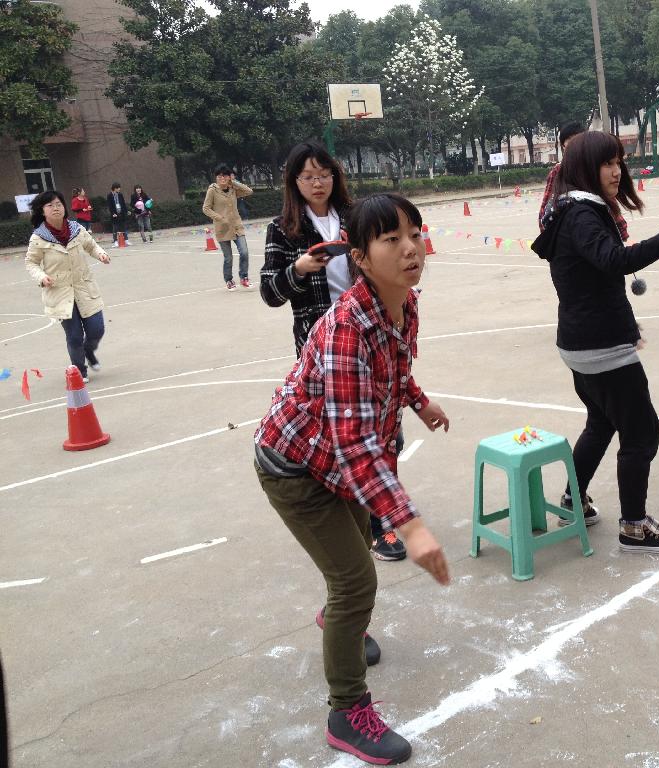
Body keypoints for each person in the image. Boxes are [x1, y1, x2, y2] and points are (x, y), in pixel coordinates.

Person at [254, 193, 450, 764]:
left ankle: (338, 622)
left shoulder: (403, 303)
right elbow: (354, 446)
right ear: (360, 258)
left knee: (355, 555)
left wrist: (418, 400)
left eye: (413, 233)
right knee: (356, 582)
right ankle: (347, 712)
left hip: (334, 461)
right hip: (295, 466)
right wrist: (411, 527)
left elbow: (395, 366)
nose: (410, 248)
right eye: (391, 240)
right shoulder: (345, 328)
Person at [532, 131, 659, 553]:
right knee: (641, 433)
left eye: (618, 162)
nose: (616, 171)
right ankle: (634, 527)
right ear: (585, 167)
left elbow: (598, 276)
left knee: (602, 422)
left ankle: (573, 500)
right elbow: (615, 261)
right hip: (600, 347)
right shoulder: (582, 214)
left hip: (580, 341)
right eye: (607, 163)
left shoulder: (568, 209)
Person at [260, 142, 407, 562]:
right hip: (322, 349)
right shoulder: (283, 230)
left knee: (386, 430)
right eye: (308, 176)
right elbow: (270, 292)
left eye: (324, 174)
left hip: (370, 333)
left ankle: (379, 520)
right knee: (345, 434)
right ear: (294, 182)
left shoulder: (354, 216)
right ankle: (368, 523)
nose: (317, 183)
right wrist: (298, 269)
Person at [24, 191, 111, 383]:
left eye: (58, 204)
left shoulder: (76, 229)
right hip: (60, 292)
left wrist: (101, 254)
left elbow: (91, 246)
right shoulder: (38, 238)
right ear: (42, 211)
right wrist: (42, 277)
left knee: (97, 329)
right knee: (74, 336)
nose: (56, 208)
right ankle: (80, 370)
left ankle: (89, 350)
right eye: (50, 205)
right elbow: (31, 262)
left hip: (84, 288)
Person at [203, 163, 253, 291]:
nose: (222, 178)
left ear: (229, 177)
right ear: (216, 178)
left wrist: (233, 182)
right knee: (228, 258)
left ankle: (244, 277)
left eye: (225, 175)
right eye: (219, 176)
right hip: (222, 228)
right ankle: (229, 280)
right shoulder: (212, 190)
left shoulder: (233, 189)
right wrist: (220, 218)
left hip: (236, 226)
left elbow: (249, 191)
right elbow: (206, 208)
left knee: (244, 252)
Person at [539, 121, 585, 230]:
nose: (574, 143)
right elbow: (545, 208)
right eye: (569, 139)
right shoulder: (558, 170)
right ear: (563, 145)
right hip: (568, 230)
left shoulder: (595, 167)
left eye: (577, 139)